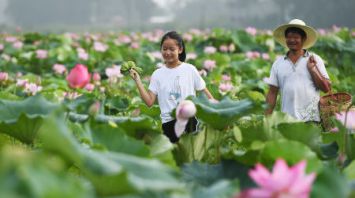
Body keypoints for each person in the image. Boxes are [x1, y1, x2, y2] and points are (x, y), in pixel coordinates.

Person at [130, 31, 214, 143]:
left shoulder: (190, 70)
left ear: (180, 49)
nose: (167, 52)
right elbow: (149, 102)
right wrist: (137, 80)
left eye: (171, 49)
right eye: (164, 49)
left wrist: (217, 114)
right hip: (168, 124)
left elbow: (206, 94)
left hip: (189, 121)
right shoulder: (157, 74)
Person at [265, 19, 331, 123]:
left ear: (304, 39)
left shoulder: (315, 59)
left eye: (296, 37)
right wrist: (266, 119)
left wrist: (313, 69)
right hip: (287, 121)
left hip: (311, 119)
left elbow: (326, 88)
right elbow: (272, 93)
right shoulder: (278, 64)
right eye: (289, 37)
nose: (292, 40)